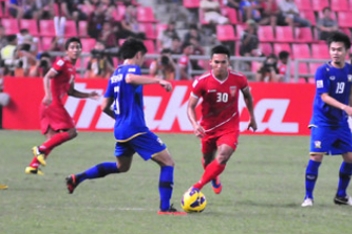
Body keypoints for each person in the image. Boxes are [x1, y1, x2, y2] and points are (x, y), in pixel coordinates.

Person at [65, 38, 184, 215]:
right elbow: (130, 78)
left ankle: (77, 178)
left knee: (122, 167)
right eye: (143, 57)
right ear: (138, 55)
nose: (142, 61)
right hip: (135, 128)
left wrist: (119, 118)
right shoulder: (131, 69)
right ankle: (165, 209)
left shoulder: (114, 74)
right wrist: (158, 80)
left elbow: (104, 106)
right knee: (168, 162)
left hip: (121, 129)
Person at [302, 32, 352, 208]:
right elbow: (324, 97)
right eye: (332, 49)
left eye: (339, 49)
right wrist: (345, 108)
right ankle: (308, 197)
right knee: (316, 156)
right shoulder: (323, 71)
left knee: (351, 158)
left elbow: (351, 94)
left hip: (341, 122)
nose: (335, 52)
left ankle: (341, 196)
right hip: (323, 121)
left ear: (346, 51)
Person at [186, 45, 257, 196]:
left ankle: (196, 187)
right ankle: (214, 176)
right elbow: (190, 106)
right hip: (208, 127)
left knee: (223, 155)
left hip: (230, 125)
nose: (220, 65)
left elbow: (247, 96)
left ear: (228, 63)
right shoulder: (202, 81)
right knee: (207, 160)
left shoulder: (239, 79)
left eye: (223, 62)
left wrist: (252, 117)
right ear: (210, 62)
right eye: (216, 62)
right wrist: (195, 124)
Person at [25, 38, 100, 175]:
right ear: (66, 50)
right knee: (72, 132)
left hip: (48, 105)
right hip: (52, 103)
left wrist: (88, 95)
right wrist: (48, 95)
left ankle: (33, 166)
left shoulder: (72, 69)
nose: (76, 50)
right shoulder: (62, 62)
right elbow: (47, 77)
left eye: (78, 47)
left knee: (52, 139)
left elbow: (71, 92)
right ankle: (40, 149)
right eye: (72, 47)